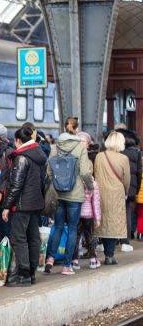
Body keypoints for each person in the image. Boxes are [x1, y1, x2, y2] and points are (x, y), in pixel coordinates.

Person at [45, 117, 94, 275]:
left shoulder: (54, 147)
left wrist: (55, 183)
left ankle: (50, 259)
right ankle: (67, 266)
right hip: (75, 194)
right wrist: (91, 187)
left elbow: (48, 172)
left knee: (58, 226)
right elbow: (86, 172)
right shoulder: (80, 148)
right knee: (72, 228)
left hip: (58, 194)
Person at [1, 126, 46, 286]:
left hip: (21, 204)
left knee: (18, 238)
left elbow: (16, 185)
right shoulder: (39, 155)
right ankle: (32, 272)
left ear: (17, 140)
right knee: (33, 237)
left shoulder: (21, 157)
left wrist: (7, 206)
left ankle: (23, 274)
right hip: (36, 203)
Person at [94, 131, 131, 265]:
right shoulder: (123, 159)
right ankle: (109, 255)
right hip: (116, 194)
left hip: (101, 192)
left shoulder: (99, 156)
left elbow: (96, 174)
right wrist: (125, 192)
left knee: (103, 222)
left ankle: (104, 252)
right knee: (114, 223)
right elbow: (126, 179)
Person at [72, 131, 102, 269]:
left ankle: (75, 261)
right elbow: (95, 203)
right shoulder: (93, 184)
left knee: (76, 236)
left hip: (76, 210)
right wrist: (98, 218)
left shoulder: (75, 180)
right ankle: (93, 259)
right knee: (90, 236)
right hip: (88, 214)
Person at [115, 128, 141, 251]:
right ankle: (126, 240)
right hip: (131, 187)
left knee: (114, 212)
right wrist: (136, 190)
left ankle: (114, 239)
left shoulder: (118, 151)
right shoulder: (137, 152)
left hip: (117, 186)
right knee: (127, 213)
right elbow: (139, 172)